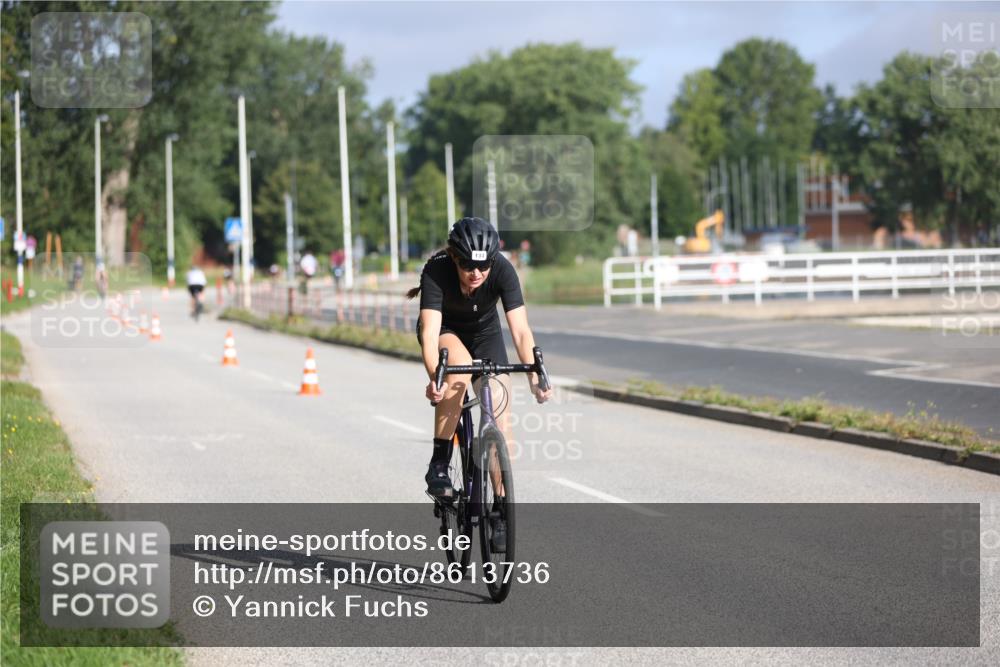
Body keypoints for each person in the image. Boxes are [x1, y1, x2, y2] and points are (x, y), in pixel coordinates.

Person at [407, 217, 553, 502]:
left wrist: (535, 377)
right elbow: (430, 333)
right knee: (458, 374)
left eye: (483, 265)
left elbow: (521, 332)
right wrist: (434, 376)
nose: (476, 273)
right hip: (446, 331)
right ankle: (439, 465)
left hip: (485, 334)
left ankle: (500, 503)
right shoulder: (437, 269)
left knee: (500, 411)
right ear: (454, 257)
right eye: (467, 266)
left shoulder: (503, 269)